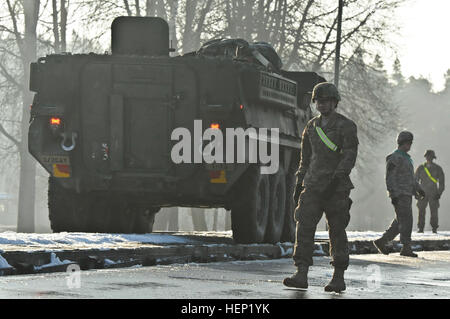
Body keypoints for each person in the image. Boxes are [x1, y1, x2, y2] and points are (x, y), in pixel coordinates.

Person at [282, 82, 358, 293]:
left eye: (326, 101)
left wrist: (337, 178)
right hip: (313, 186)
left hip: (336, 188)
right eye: (319, 101)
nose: (322, 105)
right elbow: (305, 159)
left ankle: (338, 276)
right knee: (304, 227)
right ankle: (301, 273)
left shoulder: (346, 126)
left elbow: (349, 155)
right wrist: (299, 182)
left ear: (334, 102)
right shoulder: (311, 127)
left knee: (336, 231)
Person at [373, 131, 425, 257]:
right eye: (409, 143)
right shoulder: (395, 157)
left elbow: (410, 178)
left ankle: (382, 241)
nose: (410, 145)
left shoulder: (406, 158)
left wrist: (419, 189)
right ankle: (405, 247)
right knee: (406, 221)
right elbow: (390, 177)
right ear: (403, 143)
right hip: (400, 194)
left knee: (400, 221)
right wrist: (393, 194)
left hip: (407, 193)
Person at [415, 150, 445, 233]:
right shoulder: (420, 168)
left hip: (434, 192)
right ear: (425, 157)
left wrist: (439, 193)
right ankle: (420, 228)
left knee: (434, 211)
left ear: (433, 158)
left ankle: (434, 228)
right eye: (427, 156)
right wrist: (417, 192)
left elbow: (442, 183)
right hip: (422, 193)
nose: (429, 158)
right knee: (421, 211)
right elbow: (415, 181)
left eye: (430, 156)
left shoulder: (438, 168)